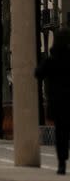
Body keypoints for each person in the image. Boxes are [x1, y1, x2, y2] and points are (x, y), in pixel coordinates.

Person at [36, 27, 70, 175]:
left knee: (60, 133)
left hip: (57, 102)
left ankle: (62, 163)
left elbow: (38, 73)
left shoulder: (51, 60)